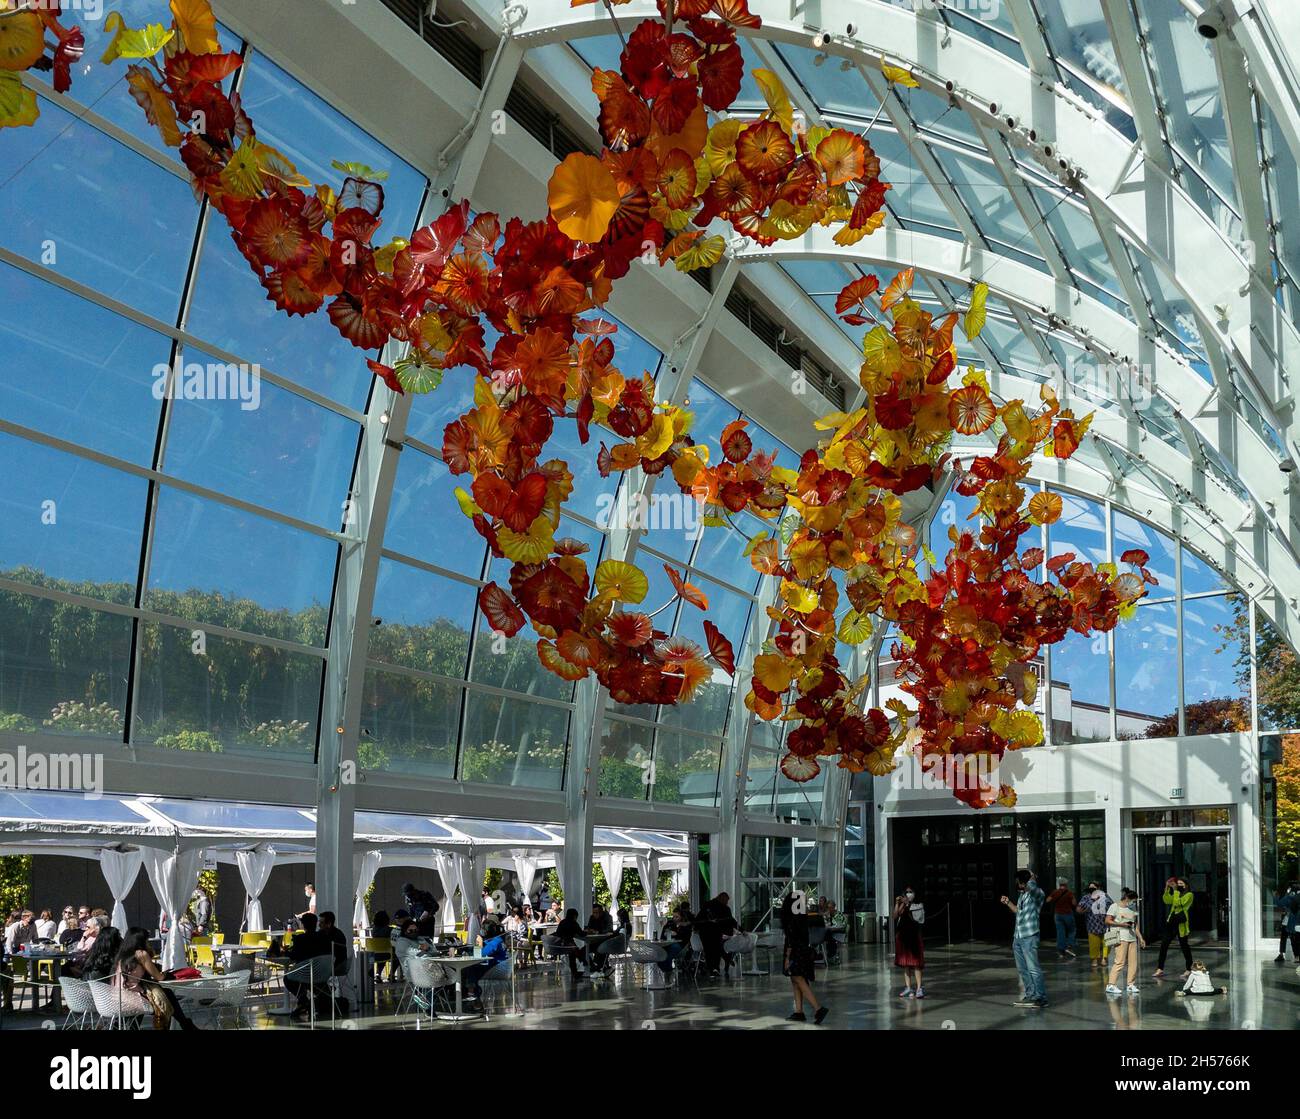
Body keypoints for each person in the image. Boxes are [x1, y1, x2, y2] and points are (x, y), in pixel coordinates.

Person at [112, 927, 198, 1030]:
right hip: (134, 999)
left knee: (166, 994)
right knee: (166, 998)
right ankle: (185, 1025)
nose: (148, 942)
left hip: (118, 997)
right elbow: (159, 977)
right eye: (147, 940)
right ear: (141, 940)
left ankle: (186, 1025)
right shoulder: (141, 954)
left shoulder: (121, 956)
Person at [1001, 868, 1047, 1008]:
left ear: (1023, 881)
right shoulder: (1023, 895)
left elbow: (1032, 887)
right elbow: (1019, 913)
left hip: (1029, 935)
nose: (1016, 884)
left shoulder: (1037, 893)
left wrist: (1031, 877)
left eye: (1018, 881)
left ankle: (1040, 997)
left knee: (1033, 968)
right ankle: (1030, 995)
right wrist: (1008, 903)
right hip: (1018, 936)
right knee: (1023, 969)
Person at [780, 891, 828, 1024]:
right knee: (795, 979)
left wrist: (787, 958)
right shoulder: (802, 916)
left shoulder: (791, 918)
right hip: (803, 950)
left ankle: (818, 1008)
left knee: (798, 979)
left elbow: (790, 939)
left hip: (794, 951)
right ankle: (799, 1011)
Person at [1105, 887, 1146, 995]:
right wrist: (1121, 924)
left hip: (1131, 938)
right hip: (1120, 937)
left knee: (1133, 963)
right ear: (1127, 898)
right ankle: (1111, 984)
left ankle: (1130, 984)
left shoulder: (1133, 910)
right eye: (1133, 900)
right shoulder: (1114, 906)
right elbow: (1107, 920)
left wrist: (1140, 938)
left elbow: (1135, 925)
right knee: (1120, 961)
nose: (1134, 903)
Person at [1152, 876, 1194, 978]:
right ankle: (1160, 968)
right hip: (1171, 922)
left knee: (1184, 946)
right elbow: (1167, 900)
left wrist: (1175, 891)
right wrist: (1167, 889)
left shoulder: (1189, 895)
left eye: (1181, 884)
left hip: (1181, 923)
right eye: (1177, 884)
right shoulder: (1176, 893)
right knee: (1164, 945)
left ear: (1186, 885)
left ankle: (1189, 968)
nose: (1179, 886)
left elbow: (1178, 903)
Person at [464, 918, 509, 1002]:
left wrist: (480, 943)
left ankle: (472, 993)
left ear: (485, 931)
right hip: (498, 967)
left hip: (497, 970)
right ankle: (474, 993)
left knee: (470, 968)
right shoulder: (497, 940)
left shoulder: (495, 942)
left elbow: (480, 955)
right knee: (472, 969)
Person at [893, 888, 925, 998]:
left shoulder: (918, 905)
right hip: (903, 937)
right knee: (906, 963)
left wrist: (908, 904)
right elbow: (895, 916)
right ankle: (908, 988)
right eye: (906, 892)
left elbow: (917, 919)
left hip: (914, 937)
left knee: (916, 963)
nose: (908, 893)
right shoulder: (903, 904)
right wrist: (897, 904)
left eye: (911, 891)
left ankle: (919, 988)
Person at [1077, 882, 1113, 970]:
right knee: (1094, 943)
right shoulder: (1086, 897)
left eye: (1094, 888)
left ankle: (1104, 958)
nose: (1092, 890)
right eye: (1090, 889)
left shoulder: (1105, 896)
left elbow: (1112, 906)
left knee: (1107, 942)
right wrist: (1084, 909)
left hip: (1104, 923)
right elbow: (1078, 909)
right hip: (1092, 924)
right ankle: (1094, 959)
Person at [1045, 879, 1077, 959]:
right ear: (1066, 884)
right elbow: (1074, 903)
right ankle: (1069, 946)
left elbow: (1048, 900)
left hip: (1058, 914)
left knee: (1060, 932)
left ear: (1059, 884)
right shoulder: (1069, 893)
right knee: (1072, 930)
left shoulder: (1055, 892)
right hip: (1067, 914)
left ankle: (1061, 951)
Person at [554, 907, 585, 978]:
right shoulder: (573, 923)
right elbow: (581, 934)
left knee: (574, 952)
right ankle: (587, 965)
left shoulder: (562, 922)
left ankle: (575, 971)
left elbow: (558, 933)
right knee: (576, 953)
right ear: (574, 916)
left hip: (559, 945)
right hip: (568, 944)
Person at [1273, 883, 1300, 962]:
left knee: (1292, 937)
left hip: (1292, 919)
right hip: (1289, 919)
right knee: (1287, 936)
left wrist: (1276, 896)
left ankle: (1295, 956)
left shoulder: (1291, 895)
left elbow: (1281, 902)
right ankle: (1285, 954)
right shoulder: (1292, 894)